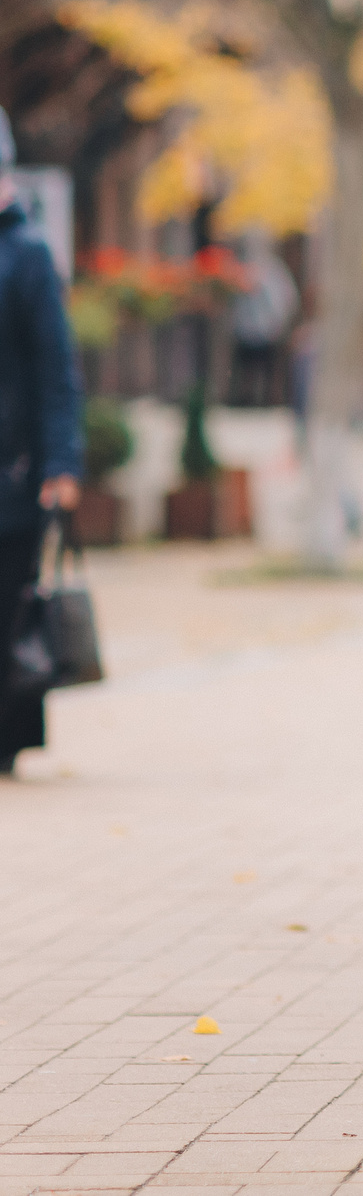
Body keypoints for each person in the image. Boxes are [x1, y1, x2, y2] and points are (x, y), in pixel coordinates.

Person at [0, 109, 84, 776]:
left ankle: (8, 739)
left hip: (15, 472)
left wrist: (62, 461)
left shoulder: (27, 255)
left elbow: (57, 370)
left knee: (10, 607)